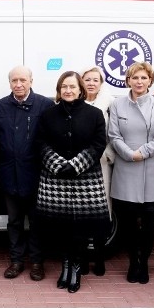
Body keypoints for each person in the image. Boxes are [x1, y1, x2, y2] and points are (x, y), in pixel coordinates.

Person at [35, 71, 109, 293]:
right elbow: (40, 142)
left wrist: (76, 165)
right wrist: (58, 164)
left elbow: (99, 143)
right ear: (59, 90)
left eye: (72, 86)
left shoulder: (94, 114)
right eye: (64, 87)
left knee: (80, 229)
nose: (68, 90)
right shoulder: (48, 114)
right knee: (61, 228)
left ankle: (76, 267)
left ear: (80, 89)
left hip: (84, 180)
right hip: (55, 180)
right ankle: (65, 265)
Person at [107, 61, 154, 285]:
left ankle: (143, 263)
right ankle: (133, 261)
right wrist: (128, 154)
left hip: (151, 168)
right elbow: (114, 136)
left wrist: (141, 153)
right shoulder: (118, 105)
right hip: (126, 168)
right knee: (128, 221)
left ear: (150, 81)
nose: (139, 82)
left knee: (149, 220)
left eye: (143, 78)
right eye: (135, 78)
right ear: (128, 81)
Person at [0, 66, 54, 281]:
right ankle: (16, 261)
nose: (18, 84)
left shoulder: (44, 105)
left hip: (36, 174)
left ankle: (37, 262)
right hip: (9, 172)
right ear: (9, 82)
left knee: (37, 221)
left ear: (31, 80)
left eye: (22, 80)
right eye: (14, 80)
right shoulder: (0, 106)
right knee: (14, 221)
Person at [82, 66, 116, 275]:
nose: (91, 83)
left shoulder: (110, 103)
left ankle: (100, 257)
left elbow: (114, 132)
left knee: (101, 213)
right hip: (80, 167)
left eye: (96, 80)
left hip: (102, 163)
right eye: (87, 79)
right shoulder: (74, 102)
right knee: (83, 214)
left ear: (101, 83)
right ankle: (85, 258)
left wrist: (108, 154)